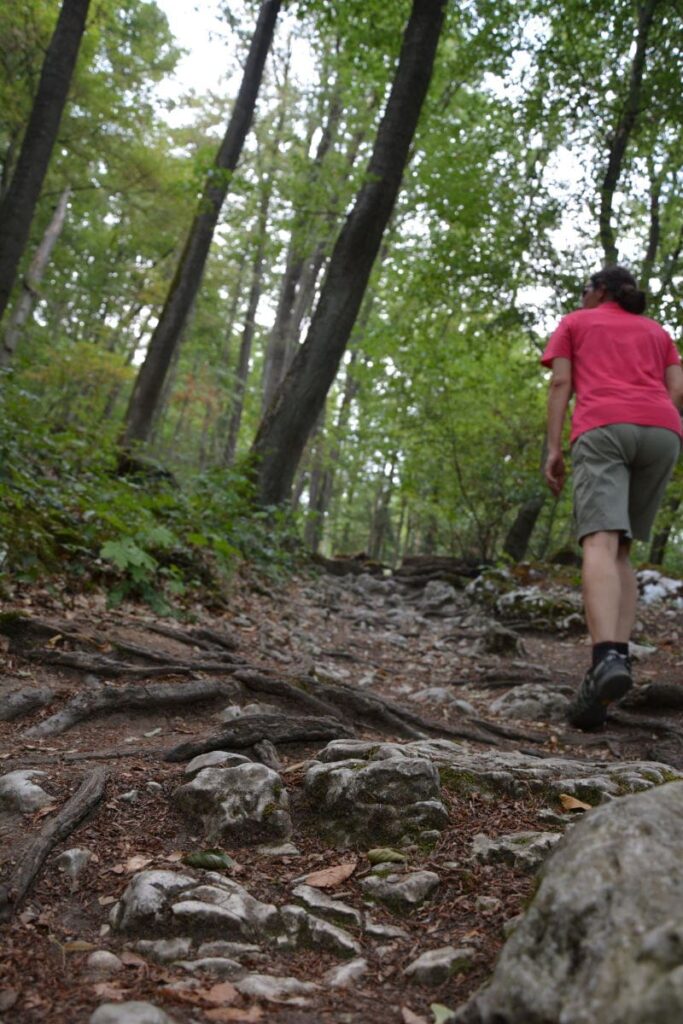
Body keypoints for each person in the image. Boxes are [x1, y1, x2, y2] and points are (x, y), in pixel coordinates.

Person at [541, 265, 683, 729]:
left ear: (600, 290)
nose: (581, 295)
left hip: (603, 427)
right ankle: (616, 658)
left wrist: (554, 448)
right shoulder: (657, 331)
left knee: (599, 541)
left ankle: (604, 659)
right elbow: (676, 387)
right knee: (622, 548)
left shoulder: (575, 324)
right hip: (662, 430)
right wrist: (651, 413)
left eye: (585, 288)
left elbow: (561, 383)